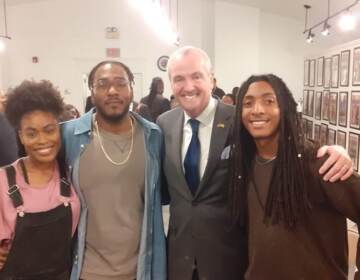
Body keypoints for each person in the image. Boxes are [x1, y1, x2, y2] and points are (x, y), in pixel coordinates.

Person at [157, 46, 353, 280]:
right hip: (180, 260)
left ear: (212, 80)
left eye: (196, 76)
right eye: (179, 79)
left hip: (231, 261)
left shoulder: (240, 121)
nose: (188, 86)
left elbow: (283, 142)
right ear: (170, 84)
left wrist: (334, 149)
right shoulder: (164, 124)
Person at [229, 74, 359, 279]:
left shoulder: (319, 163)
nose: (257, 110)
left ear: (285, 108)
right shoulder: (244, 165)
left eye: (269, 101)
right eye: (248, 103)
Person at [61, 60, 166, 280]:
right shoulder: (69, 136)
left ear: (132, 87)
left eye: (120, 83)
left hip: (139, 270)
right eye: (102, 84)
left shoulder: (153, 136)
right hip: (85, 271)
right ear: (91, 91)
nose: (112, 91)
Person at [0, 80, 80, 279]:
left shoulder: (71, 174)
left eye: (49, 130)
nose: (43, 141)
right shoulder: (4, 181)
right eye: (31, 133)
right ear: (20, 136)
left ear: (58, 130)